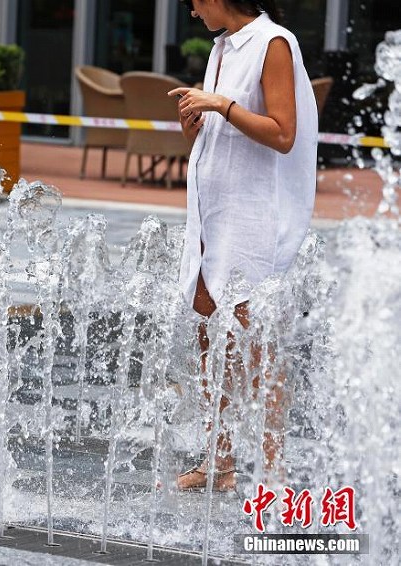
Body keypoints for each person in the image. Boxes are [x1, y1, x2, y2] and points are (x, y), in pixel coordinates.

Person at [167, 0, 318, 490]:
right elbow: (223, 130)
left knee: (257, 344)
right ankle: (220, 462)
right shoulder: (222, 49)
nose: (191, 11)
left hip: (252, 213)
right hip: (213, 209)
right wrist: (198, 122)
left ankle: (274, 472)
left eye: (193, 1)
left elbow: (283, 133)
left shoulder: (274, 43)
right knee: (211, 331)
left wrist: (220, 106)